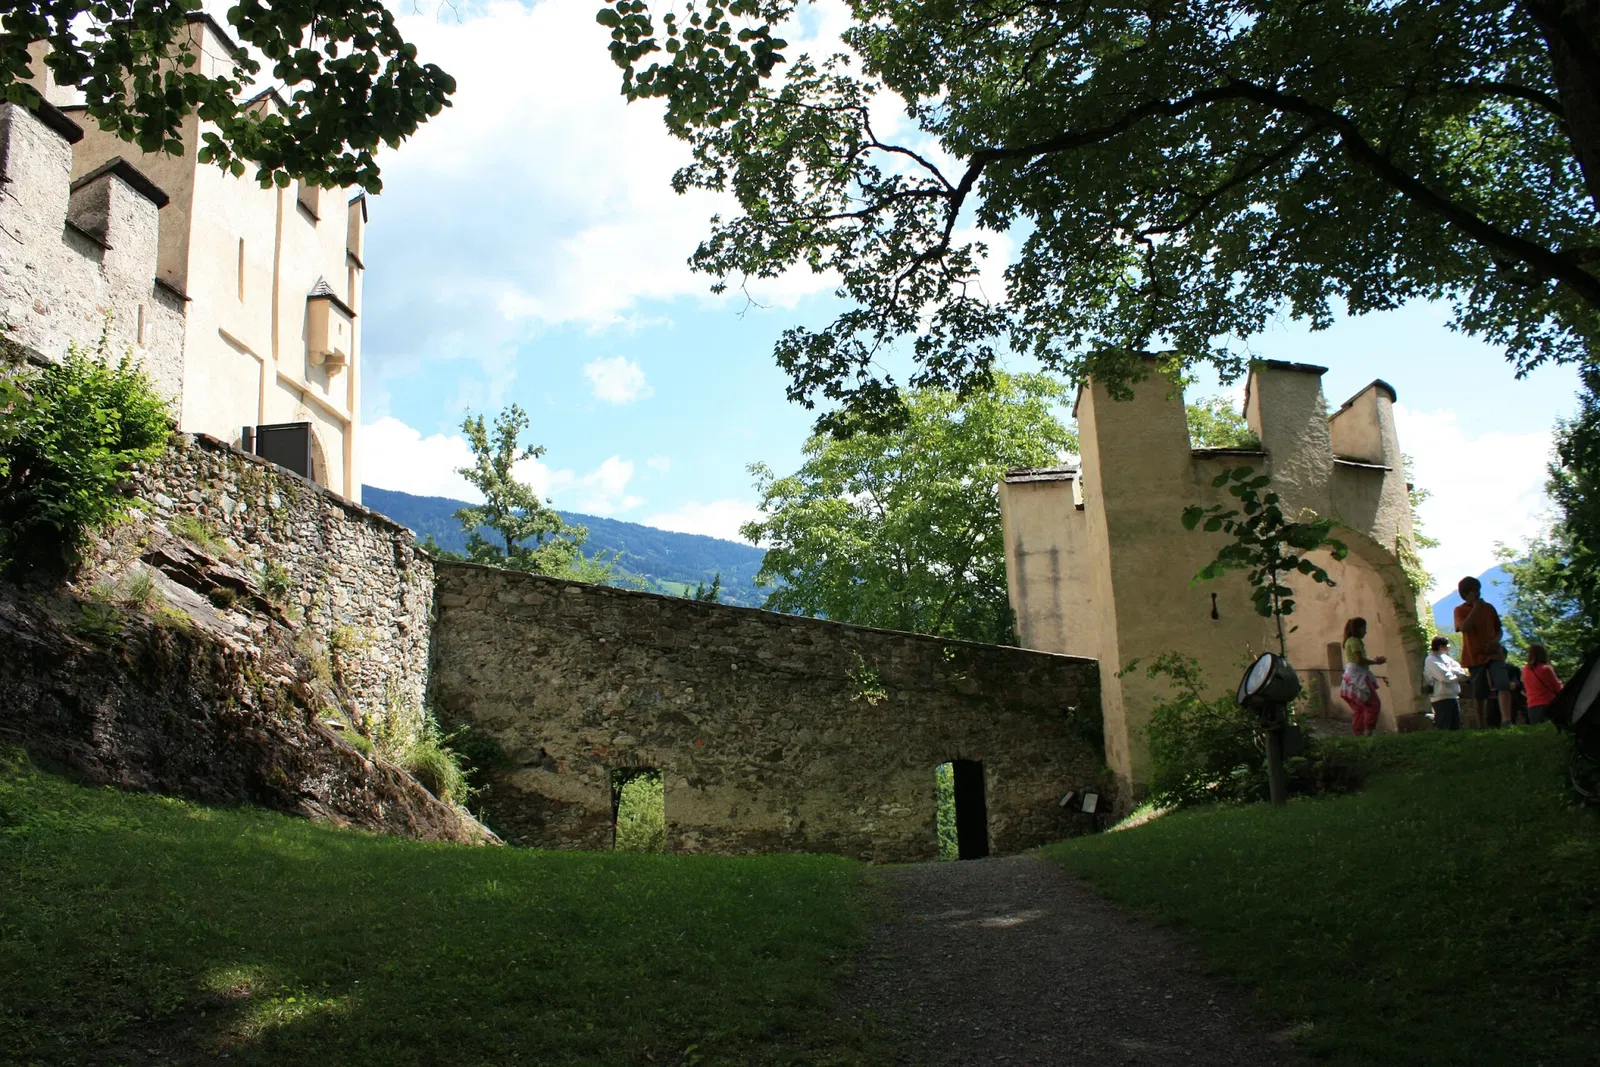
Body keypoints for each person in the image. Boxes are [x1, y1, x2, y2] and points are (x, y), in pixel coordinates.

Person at [1453, 576, 1514, 728]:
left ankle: (1506, 720)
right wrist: (1475, 609)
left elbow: (1499, 629)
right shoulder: (1460, 610)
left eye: (1478, 590)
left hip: (1494, 653)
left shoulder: (1489, 608)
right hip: (1474, 655)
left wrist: (1495, 642)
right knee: (1479, 692)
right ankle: (1481, 724)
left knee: (1502, 684)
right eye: (1473, 591)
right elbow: (1464, 628)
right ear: (1466, 593)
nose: (1478, 593)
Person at [1340, 616, 1386, 736]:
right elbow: (1359, 659)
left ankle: (1359, 732)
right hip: (1357, 675)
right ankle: (1367, 730)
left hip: (1353, 674)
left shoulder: (1350, 641)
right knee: (1373, 703)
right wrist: (1375, 662)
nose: (1365, 631)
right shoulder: (1354, 641)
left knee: (1359, 707)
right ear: (1358, 629)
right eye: (1364, 628)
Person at [1423, 635, 1470, 730]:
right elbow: (1444, 676)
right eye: (1447, 644)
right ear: (1441, 646)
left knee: (1456, 726)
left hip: (1453, 696)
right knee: (1445, 726)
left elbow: (1461, 670)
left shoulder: (1446, 658)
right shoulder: (1431, 660)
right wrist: (1454, 673)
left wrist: (1450, 670)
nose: (1449, 646)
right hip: (1441, 698)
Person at [1523, 643, 1563, 725]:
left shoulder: (1525, 670)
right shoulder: (1546, 669)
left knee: (1538, 734)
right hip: (1548, 705)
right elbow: (1558, 687)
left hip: (1532, 707)